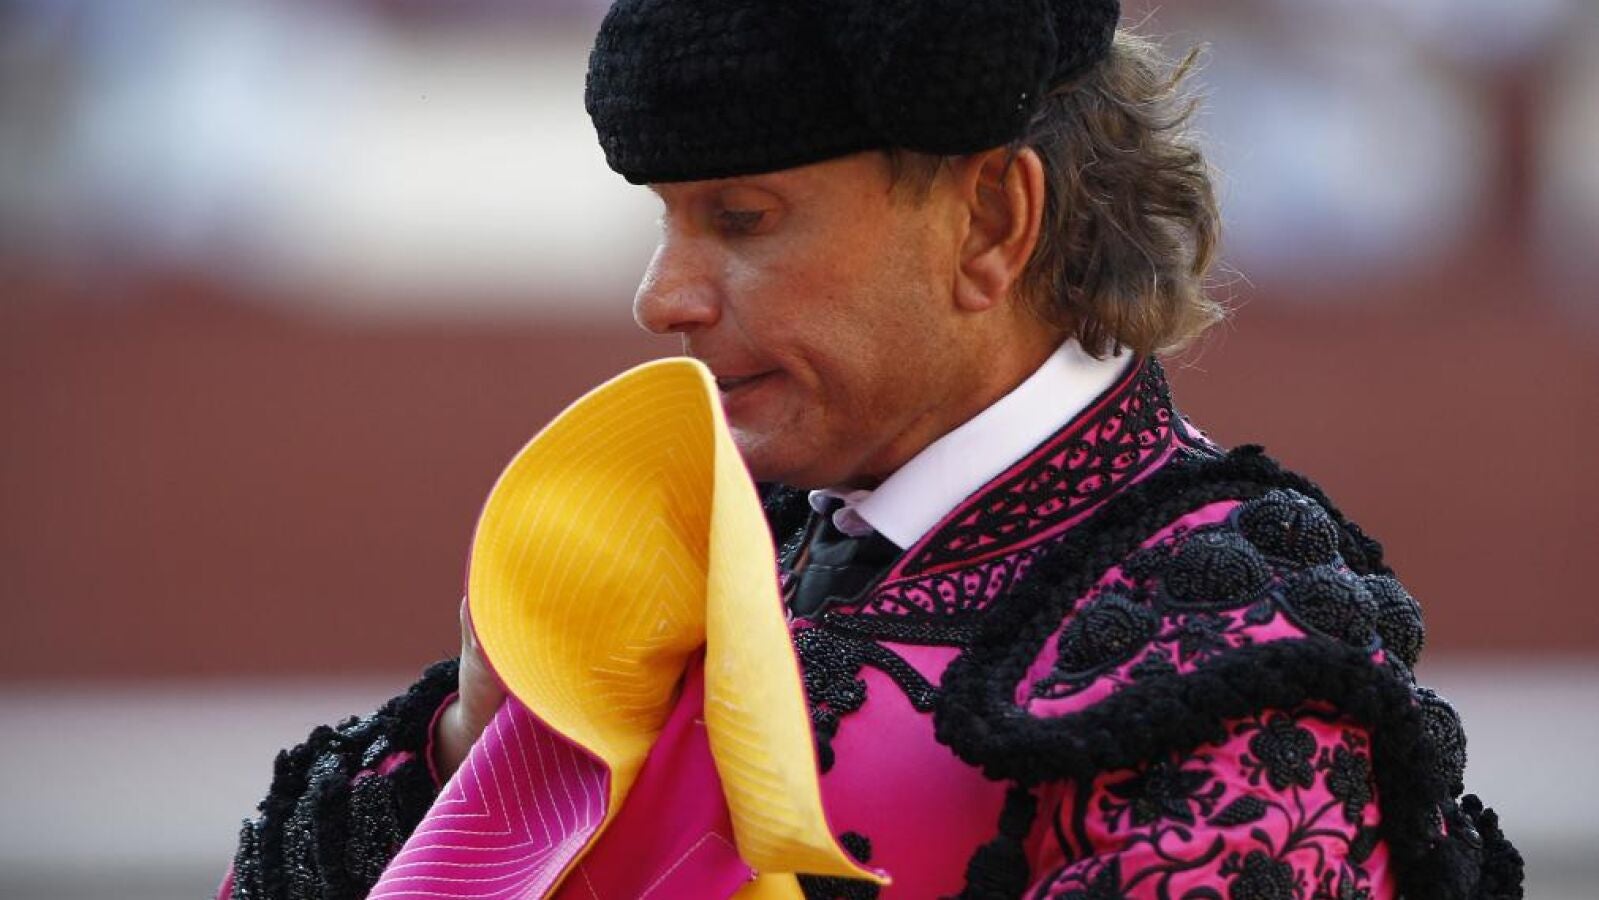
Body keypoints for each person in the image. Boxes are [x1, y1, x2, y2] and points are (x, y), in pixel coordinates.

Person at [220, 1, 1524, 898]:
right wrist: (470, 754)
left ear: (991, 223)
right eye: (667, 220)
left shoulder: (1224, 649)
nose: (662, 295)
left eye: (742, 219)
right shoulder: (708, 556)